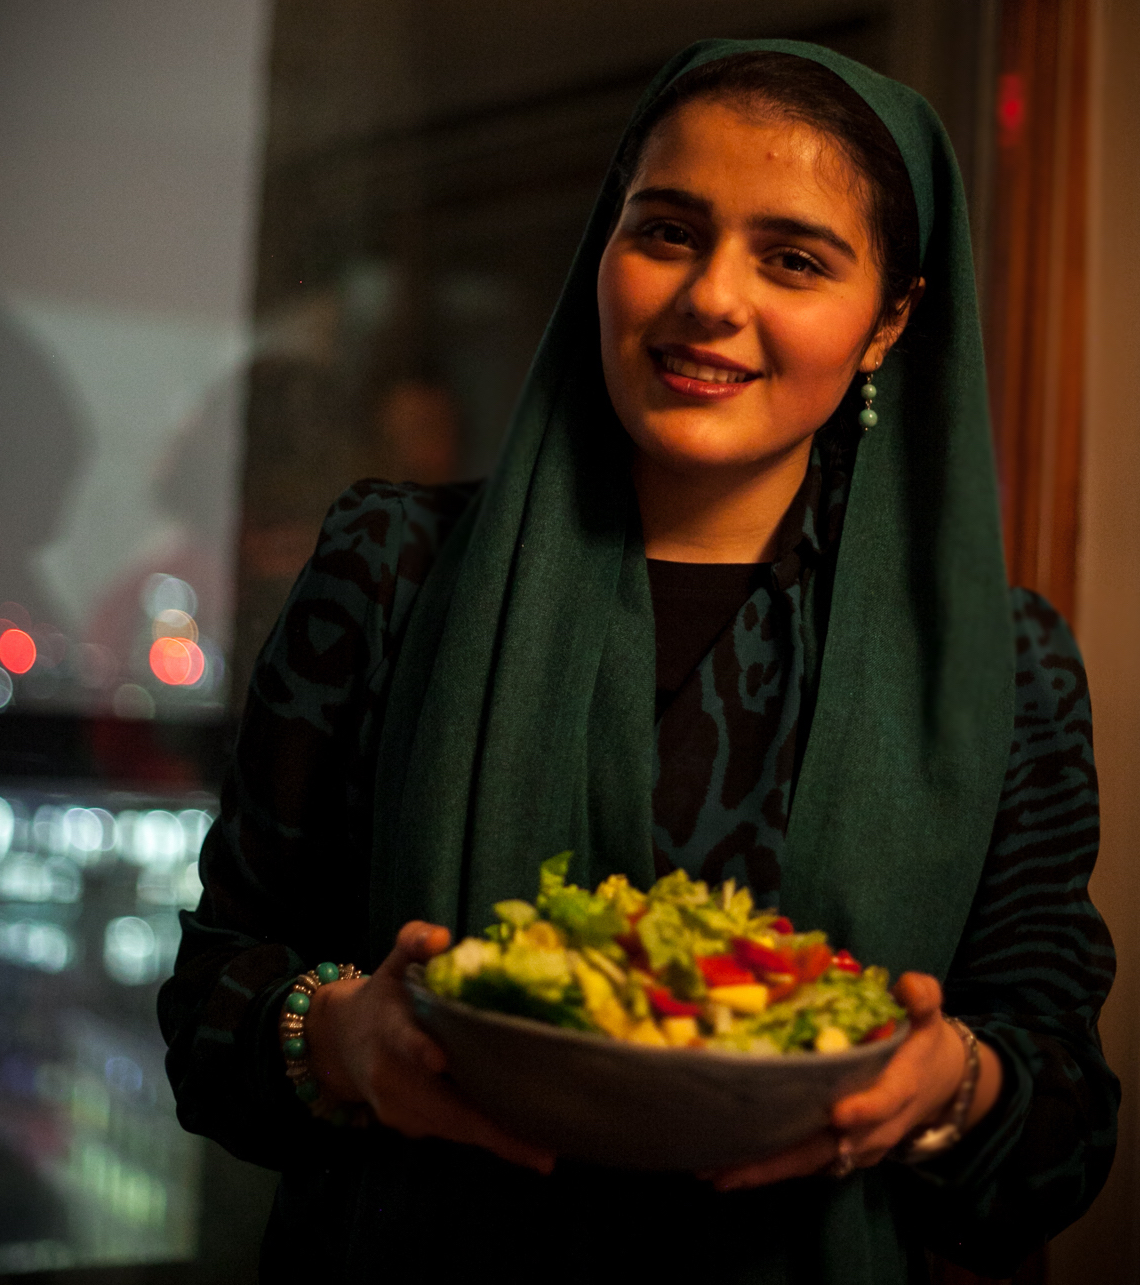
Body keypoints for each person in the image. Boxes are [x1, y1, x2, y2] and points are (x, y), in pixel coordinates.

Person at [159, 40, 1119, 1284]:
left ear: (890, 321)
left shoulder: (1002, 667)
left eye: (793, 258)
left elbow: (1064, 1135)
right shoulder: (393, 569)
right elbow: (212, 1008)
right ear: (601, 255)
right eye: (667, 231)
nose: (711, 297)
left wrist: (946, 1087)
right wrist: (343, 1041)